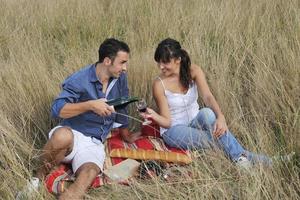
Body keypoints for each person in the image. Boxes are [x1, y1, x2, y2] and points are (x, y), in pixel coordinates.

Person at [33, 38, 141, 199]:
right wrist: (90, 105)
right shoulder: (80, 79)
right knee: (62, 136)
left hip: (94, 143)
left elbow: (122, 104)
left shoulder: (120, 78)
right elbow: (57, 109)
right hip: (73, 135)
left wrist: (125, 134)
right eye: (122, 62)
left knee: (89, 173)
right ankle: (36, 180)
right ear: (107, 61)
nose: (125, 68)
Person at [142, 38, 271, 168]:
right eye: (158, 62)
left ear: (178, 59)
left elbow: (208, 96)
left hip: (195, 121)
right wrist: (154, 115)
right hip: (174, 130)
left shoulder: (194, 71)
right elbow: (167, 122)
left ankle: (241, 158)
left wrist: (221, 117)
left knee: (208, 114)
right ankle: (250, 160)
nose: (161, 67)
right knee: (216, 137)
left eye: (165, 62)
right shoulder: (159, 84)